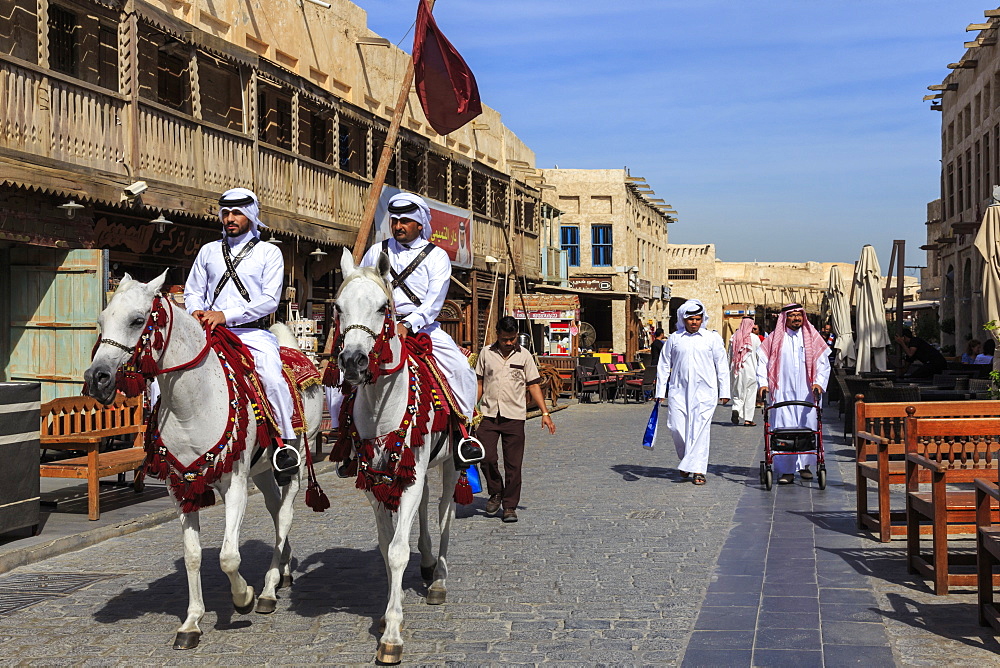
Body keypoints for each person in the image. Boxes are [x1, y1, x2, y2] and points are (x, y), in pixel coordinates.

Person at [475, 316, 556, 523]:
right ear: (497, 334)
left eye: (513, 339)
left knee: (513, 465)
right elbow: (479, 383)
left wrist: (545, 413)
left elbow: (534, 385)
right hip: (488, 414)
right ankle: (495, 492)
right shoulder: (486, 353)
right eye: (505, 339)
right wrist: (470, 410)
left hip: (514, 417)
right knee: (486, 457)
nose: (509, 343)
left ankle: (509, 506)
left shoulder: (525, 356)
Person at [654, 299, 730, 486]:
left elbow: (722, 366)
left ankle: (698, 470)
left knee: (700, 430)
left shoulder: (712, 338)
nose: (694, 322)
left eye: (698, 319)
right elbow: (664, 365)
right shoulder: (674, 339)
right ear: (683, 320)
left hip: (706, 393)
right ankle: (687, 459)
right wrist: (660, 390)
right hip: (678, 391)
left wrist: (725, 390)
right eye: (691, 319)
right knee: (677, 427)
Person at [756, 303, 830, 484]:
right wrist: (763, 384)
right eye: (792, 315)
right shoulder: (774, 339)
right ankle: (786, 470)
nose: (796, 318)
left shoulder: (813, 337)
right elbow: (762, 364)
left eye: (799, 315)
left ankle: (804, 466)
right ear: (785, 318)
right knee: (784, 428)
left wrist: (819, 383)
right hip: (781, 392)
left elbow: (823, 364)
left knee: (806, 426)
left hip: (807, 392)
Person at [728, 316, 760, 427]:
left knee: (737, 393)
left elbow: (730, 356)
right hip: (751, 371)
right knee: (750, 394)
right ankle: (748, 419)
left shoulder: (733, 337)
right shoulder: (755, 338)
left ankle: (736, 408)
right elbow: (759, 356)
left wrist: (730, 371)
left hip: (737, 370)